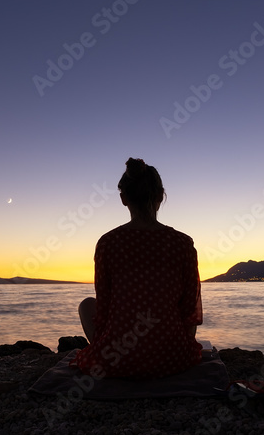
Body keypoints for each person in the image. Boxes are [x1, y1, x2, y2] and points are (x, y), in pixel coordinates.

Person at [70, 158, 203, 378]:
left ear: (123, 199)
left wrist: (104, 345)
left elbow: (103, 306)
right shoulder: (182, 243)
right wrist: (185, 346)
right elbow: (189, 309)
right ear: (161, 195)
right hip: (173, 358)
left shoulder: (108, 243)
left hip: (118, 359)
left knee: (87, 305)